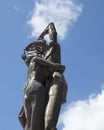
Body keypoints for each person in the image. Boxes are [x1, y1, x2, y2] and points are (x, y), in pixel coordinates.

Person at [38, 23, 68, 130]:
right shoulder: (42, 60)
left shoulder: (54, 47)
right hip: (47, 85)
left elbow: (52, 29)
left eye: (42, 44)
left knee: (49, 123)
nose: (41, 46)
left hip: (56, 81)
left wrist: (41, 34)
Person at [18, 40, 47, 130]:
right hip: (36, 87)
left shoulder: (30, 66)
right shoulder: (36, 60)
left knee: (26, 119)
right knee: (35, 119)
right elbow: (58, 67)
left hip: (28, 90)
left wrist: (29, 47)